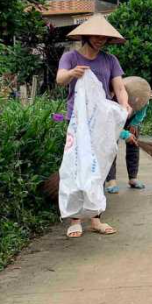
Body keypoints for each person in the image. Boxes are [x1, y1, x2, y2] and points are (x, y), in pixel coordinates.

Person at [55, 14, 131, 238]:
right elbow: (60, 79)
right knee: (77, 166)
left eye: (104, 38)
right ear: (86, 36)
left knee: (99, 167)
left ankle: (96, 218)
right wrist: (72, 73)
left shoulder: (110, 60)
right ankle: (75, 220)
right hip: (77, 121)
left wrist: (124, 105)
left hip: (101, 123)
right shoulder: (70, 57)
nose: (100, 40)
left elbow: (119, 87)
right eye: (96, 36)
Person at [105, 76, 152, 194]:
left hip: (131, 121)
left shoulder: (142, 97)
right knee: (111, 149)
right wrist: (125, 134)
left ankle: (133, 178)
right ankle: (111, 181)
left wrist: (135, 124)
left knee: (134, 148)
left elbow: (142, 110)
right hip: (113, 122)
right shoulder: (111, 102)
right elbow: (110, 126)